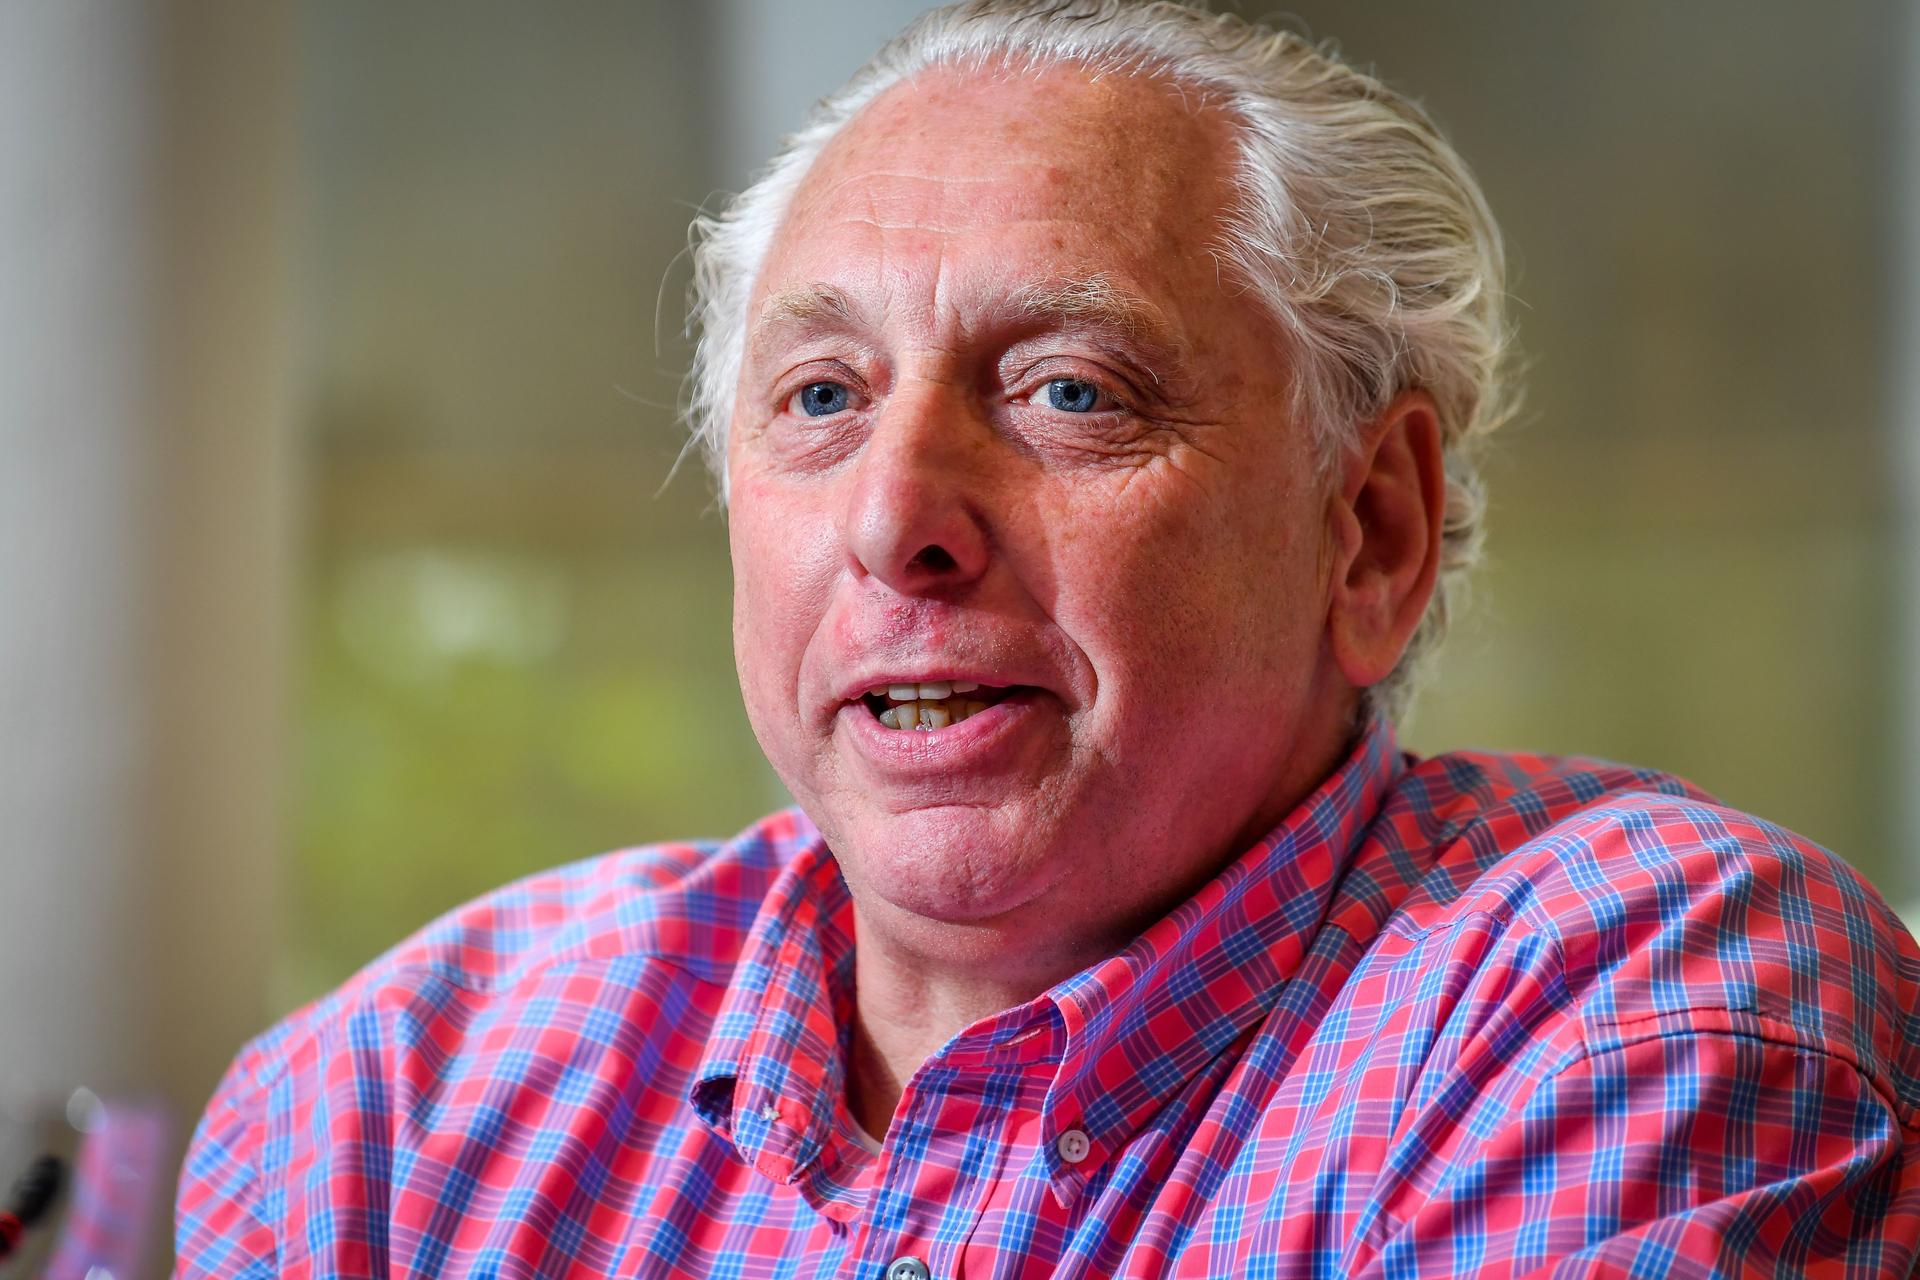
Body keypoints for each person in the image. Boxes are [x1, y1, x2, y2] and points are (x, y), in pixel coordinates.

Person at [174, 2, 1920, 1276]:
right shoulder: (392, 1111)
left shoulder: (1625, 1009)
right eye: (821, 397)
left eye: (1072, 391)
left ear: (1371, 528)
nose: (895, 518)